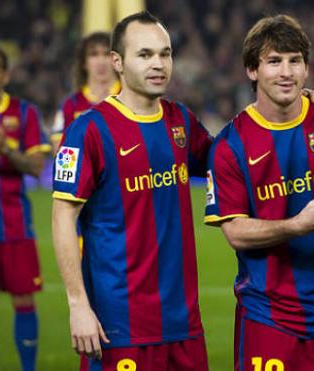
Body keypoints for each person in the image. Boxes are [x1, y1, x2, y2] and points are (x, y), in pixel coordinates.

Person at [205, 15, 314, 371]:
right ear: (252, 70)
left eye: (294, 60)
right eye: (274, 61)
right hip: (270, 319)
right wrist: (298, 225)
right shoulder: (230, 145)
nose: (286, 72)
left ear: (307, 68)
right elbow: (234, 232)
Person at [51, 11, 211, 370]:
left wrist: (289, 101)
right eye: (145, 55)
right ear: (118, 62)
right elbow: (63, 217)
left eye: (165, 53)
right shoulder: (88, 130)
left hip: (184, 325)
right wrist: (78, 305)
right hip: (118, 327)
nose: (159, 64)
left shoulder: (180, 120)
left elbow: (231, 159)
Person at [0, 45, 50, 371]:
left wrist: (6, 150)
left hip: (16, 227)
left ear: (5, 75)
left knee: (24, 301)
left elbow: (35, 167)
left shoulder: (25, 113)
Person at [50, 31, 120, 153]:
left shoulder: (133, 96)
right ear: (84, 63)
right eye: (94, 54)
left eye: (106, 54)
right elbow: (59, 150)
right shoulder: (70, 105)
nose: (101, 61)